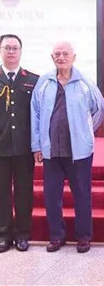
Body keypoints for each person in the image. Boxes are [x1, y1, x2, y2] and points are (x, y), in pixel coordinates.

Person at [31, 41, 104, 253]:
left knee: (82, 195)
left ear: (74, 57)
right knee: (51, 196)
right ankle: (56, 236)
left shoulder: (85, 83)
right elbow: (35, 114)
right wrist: (37, 145)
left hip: (79, 153)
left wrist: (85, 132)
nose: (61, 57)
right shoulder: (44, 83)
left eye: (65, 53)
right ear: (52, 57)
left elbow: (99, 109)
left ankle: (83, 237)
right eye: (57, 54)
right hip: (51, 151)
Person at [0, 34, 39, 252]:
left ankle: (23, 234)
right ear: (1, 51)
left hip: (24, 146)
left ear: (21, 51)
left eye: (15, 48)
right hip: (1, 146)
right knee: (1, 191)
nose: (11, 51)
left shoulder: (32, 80)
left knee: (24, 191)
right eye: (7, 47)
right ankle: (3, 234)